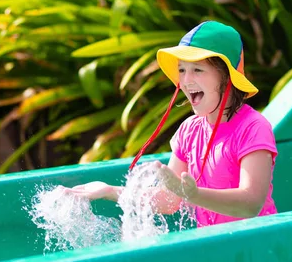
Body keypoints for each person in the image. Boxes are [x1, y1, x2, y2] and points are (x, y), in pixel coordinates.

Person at [66, 21, 278, 227]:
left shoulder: (253, 128)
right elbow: (168, 201)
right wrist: (109, 191)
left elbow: (251, 204)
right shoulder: (189, 131)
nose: (186, 80)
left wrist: (194, 195)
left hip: (257, 249)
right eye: (182, 70)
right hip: (214, 249)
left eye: (197, 70)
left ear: (227, 76)